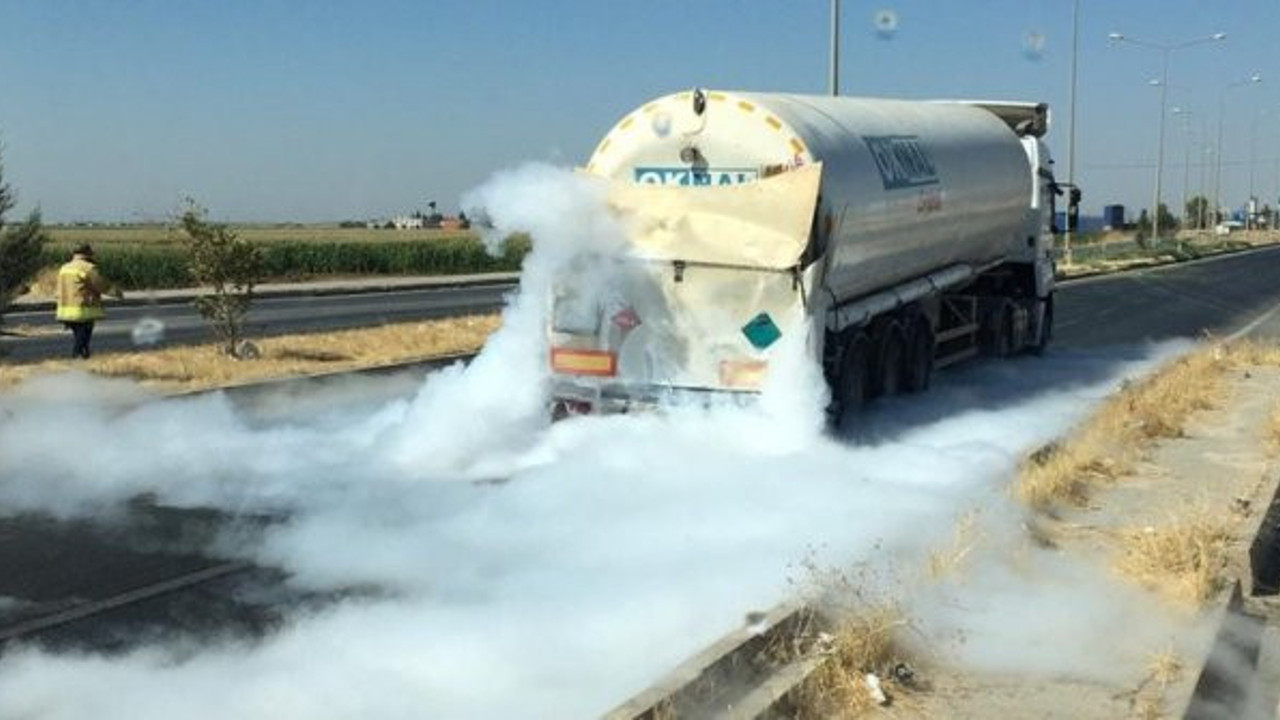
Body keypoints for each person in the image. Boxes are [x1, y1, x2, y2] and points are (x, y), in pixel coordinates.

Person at [55, 244, 122, 359]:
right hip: (82, 309)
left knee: (79, 337)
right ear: (87, 254)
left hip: (65, 309)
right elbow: (100, 285)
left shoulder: (64, 267)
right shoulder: (88, 268)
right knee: (83, 338)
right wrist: (116, 293)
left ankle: (83, 358)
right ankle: (76, 361)